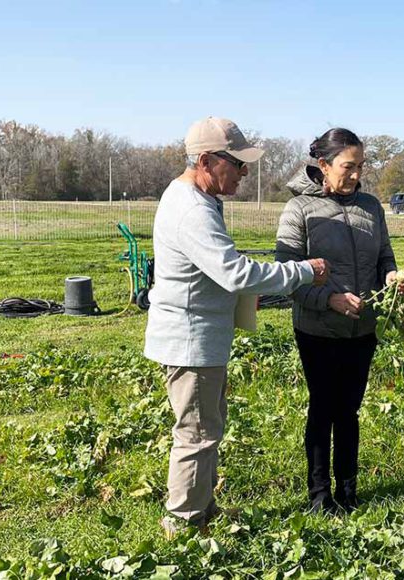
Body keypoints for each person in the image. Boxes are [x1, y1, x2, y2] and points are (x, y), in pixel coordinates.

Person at [145, 116, 329, 537]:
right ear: (207, 161)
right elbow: (235, 274)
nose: (245, 172)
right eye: (238, 163)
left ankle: (201, 509)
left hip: (200, 338)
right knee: (196, 432)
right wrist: (302, 272)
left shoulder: (198, 199)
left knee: (206, 426)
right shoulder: (192, 208)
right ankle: (184, 525)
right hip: (191, 342)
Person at [275, 128, 404, 513]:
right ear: (324, 165)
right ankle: (319, 495)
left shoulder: (371, 206)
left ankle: (349, 493)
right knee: (323, 408)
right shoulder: (299, 209)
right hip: (318, 329)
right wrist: (328, 299)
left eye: (361, 166)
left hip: (363, 328)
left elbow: (384, 256)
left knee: (349, 410)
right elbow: (286, 274)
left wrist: (392, 277)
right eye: (348, 166)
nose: (355, 175)